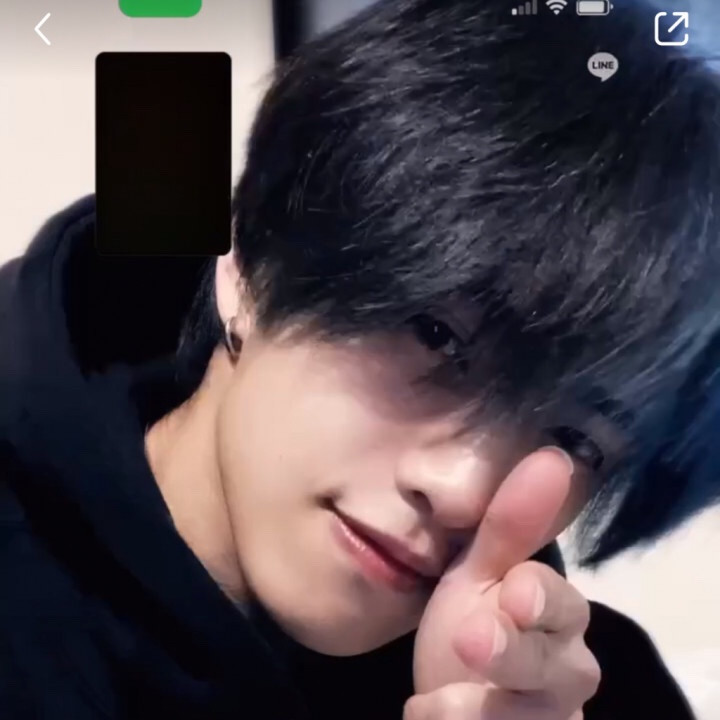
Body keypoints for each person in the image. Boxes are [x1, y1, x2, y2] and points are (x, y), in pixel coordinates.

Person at [1, 0, 717, 717]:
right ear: (250, 264)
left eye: (576, 440)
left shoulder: (580, 696)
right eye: (435, 335)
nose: (463, 491)